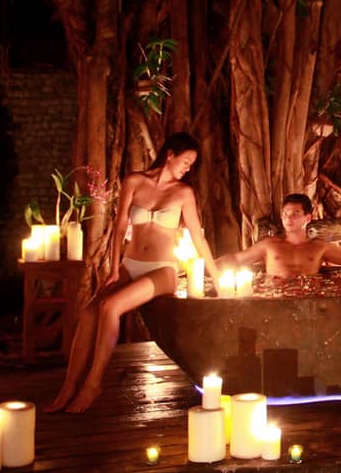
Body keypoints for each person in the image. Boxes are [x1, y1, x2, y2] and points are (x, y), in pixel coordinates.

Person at [47, 132, 217, 413]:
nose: (188, 168)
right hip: (131, 264)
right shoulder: (134, 182)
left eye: (191, 165)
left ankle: (93, 384)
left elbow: (199, 239)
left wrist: (216, 276)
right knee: (90, 313)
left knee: (111, 307)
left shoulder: (183, 193)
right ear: (170, 155)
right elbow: (119, 226)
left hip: (162, 270)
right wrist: (114, 269)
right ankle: (69, 386)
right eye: (185, 161)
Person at [219, 193, 341, 278]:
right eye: (285, 214)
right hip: (274, 296)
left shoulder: (319, 247)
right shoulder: (269, 245)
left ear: (308, 217)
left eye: (295, 214)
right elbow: (237, 259)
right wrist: (207, 265)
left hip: (308, 298)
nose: (288, 219)